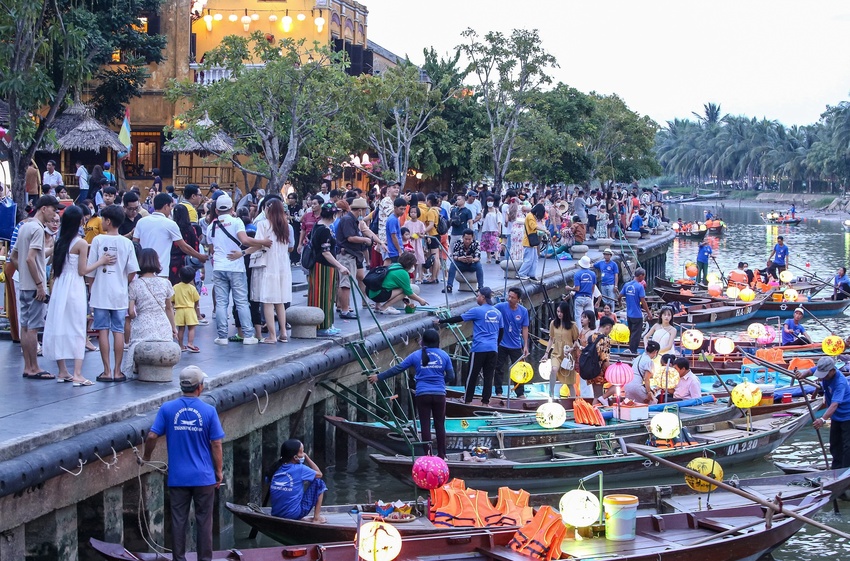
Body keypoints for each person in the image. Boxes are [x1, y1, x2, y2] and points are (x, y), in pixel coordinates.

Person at [142, 366, 224, 561]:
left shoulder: (167, 409)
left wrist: (146, 457)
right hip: (203, 477)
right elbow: (216, 443)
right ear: (200, 387)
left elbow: (152, 435)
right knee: (204, 521)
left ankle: (179, 559)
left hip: (178, 477)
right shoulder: (209, 411)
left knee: (179, 521)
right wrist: (219, 471)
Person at [44, 205, 115, 385]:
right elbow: (82, 270)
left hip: (60, 285)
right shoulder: (81, 243)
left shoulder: (59, 242)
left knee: (59, 324)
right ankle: (77, 374)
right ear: (79, 221)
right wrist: (101, 261)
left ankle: (63, 371)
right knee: (77, 326)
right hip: (74, 286)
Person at [368, 329, 455, 458]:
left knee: (425, 425)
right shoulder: (444, 355)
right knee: (439, 425)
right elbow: (451, 376)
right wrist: (440, 382)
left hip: (422, 394)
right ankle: (442, 455)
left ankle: (428, 455)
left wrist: (379, 377)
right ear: (438, 341)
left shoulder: (415, 355)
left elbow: (398, 368)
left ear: (423, 342)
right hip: (439, 394)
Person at [87, 204, 140, 382]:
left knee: (103, 330)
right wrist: (122, 282)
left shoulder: (98, 241)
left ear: (108, 221)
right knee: (118, 330)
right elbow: (132, 271)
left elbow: (90, 271)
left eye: (103, 219)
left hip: (100, 292)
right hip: (119, 293)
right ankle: (118, 371)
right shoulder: (127, 243)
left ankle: (106, 371)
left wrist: (91, 288)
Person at [207, 194, 269, 345]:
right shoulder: (236, 222)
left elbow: (211, 249)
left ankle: (222, 336)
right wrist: (264, 242)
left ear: (216, 210)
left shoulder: (211, 227)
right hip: (235, 266)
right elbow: (245, 240)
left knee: (221, 303)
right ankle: (248, 335)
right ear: (232, 208)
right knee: (241, 301)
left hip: (219, 267)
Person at [11, 196, 63, 379]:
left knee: (25, 327)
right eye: (53, 209)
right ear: (43, 208)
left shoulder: (24, 226)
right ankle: (33, 367)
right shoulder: (37, 229)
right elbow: (30, 258)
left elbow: (14, 257)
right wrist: (40, 284)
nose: (55, 213)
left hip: (25, 284)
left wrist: (24, 273)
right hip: (34, 286)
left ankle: (28, 366)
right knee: (32, 328)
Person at [437, 287, 503, 405]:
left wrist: (441, 321)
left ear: (483, 297)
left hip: (479, 349)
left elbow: (459, 318)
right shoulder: (497, 312)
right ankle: (485, 403)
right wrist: (495, 345)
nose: (476, 298)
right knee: (489, 377)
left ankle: (467, 400)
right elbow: (501, 331)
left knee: (472, 374)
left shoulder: (477, 311)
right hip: (493, 349)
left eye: (477, 296)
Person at [245, 199, 295, 342]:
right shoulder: (286, 226)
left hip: (268, 264)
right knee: (279, 300)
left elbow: (258, 245)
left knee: (267, 300)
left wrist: (243, 253)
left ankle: (272, 336)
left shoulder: (263, 224)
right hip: (282, 265)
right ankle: (283, 332)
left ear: (268, 209)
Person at [135, 193, 207, 279]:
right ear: (166, 206)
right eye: (171, 206)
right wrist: (199, 256)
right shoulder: (170, 224)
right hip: (161, 271)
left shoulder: (141, 222)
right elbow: (183, 246)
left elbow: (135, 244)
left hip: (143, 271)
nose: (171, 210)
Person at [795, 357, 850, 469]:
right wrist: (802, 375)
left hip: (847, 416)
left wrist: (822, 419)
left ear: (832, 370)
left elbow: (834, 404)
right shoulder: (823, 370)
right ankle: (836, 468)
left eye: (825, 374)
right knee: (834, 445)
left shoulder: (840, 383)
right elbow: (810, 371)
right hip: (836, 416)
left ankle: (845, 471)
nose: (823, 377)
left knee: (847, 446)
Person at [307, 202, 350, 335]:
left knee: (328, 295)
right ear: (333, 214)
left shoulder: (318, 226)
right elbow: (326, 252)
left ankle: (328, 324)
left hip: (323, 266)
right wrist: (340, 266)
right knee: (323, 296)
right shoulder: (324, 230)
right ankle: (322, 326)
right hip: (323, 267)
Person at [268, 439, 327, 522]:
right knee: (319, 483)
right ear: (295, 457)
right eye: (302, 452)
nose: (303, 454)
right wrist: (306, 457)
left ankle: (299, 517)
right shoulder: (300, 469)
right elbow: (319, 474)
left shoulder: (274, 468)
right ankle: (317, 518)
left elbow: (268, 481)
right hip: (294, 514)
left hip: (275, 513)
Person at [494, 287, 530, 398]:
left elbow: (525, 328)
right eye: (509, 296)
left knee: (519, 368)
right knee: (498, 368)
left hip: (515, 344)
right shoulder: (501, 306)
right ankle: (498, 392)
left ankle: (520, 393)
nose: (509, 299)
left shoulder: (523, 311)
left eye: (512, 297)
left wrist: (525, 345)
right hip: (502, 344)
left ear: (518, 299)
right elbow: (491, 310)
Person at [543, 301, 580, 397]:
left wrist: (571, 349)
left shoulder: (572, 325)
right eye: (558, 311)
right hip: (556, 353)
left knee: (569, 383)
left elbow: (576, 340)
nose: (559, 314)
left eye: (561, 312)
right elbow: (551, 339)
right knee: (554, 369)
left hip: (568, 355)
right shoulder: (553, 323)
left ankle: (573, 400)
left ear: (566, 312)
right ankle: (551, 394)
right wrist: (546, 353)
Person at [620, 267, 651, 353]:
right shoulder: (639, 287)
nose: (644, 278)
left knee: (631, 333)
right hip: (637, 315)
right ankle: (633, 351)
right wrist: (649, 313)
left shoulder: (626, 285)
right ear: (641, 276)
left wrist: (619, 303)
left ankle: (630, 348)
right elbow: (643, 302)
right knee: (636, 335)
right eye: (644, 276)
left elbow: (619, 296)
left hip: (629, 315)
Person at [444, 229, 484, 294]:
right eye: (466, 239)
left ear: (472, 238)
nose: (467, 241)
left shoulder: (476, 243)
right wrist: (459, 258)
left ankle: (481, 287)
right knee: (453, 264)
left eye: (469, 239)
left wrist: (472, 260)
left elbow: (478, 257)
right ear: (463, 237)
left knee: (479, 265)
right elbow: (454, 256)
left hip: (472, 264)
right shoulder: (458, 243)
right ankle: (449, 286)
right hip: (461, 264)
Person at [584, 316, 615, 399]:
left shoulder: (591, 337)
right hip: (599, 371)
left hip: (591, 369)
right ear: (607, 328)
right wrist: (612, 371)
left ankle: (601, 402)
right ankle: (597, 408)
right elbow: (605, 359)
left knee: (597, 395)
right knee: (598, 397)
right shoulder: (605, 339)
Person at [174, 266, 201, 352]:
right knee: (191, 328)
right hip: (190, 309)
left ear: (179, 275)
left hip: (179, 310)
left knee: (181, 329)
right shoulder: (192, 288)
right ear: (192, 278)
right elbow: (196, 299)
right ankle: (190, 343)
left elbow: (171, 299)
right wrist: (195, 307)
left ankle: (181, 346)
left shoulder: (175, 287)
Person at [517, 204, 545, 280]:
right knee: (528, 259)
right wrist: (544, 230)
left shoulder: (532, 216)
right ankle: (521, 273)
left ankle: (531, 274)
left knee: (534, 259)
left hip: (532, 241)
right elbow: (534, 226)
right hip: (528, 241)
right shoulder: (530, 216)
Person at [570, 256, 596, 327]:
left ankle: (580, 334)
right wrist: (590, 296)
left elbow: (577, 288)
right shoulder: (593, 274)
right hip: (588, 297)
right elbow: (593, 287)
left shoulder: (577, 274)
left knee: (579, 318)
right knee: (590, 316)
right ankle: (591, 331)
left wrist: (569, 288)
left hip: (579, 297)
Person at [404, 205, 427, 282]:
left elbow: (423, 234)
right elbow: (403, 232)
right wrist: (409, 236)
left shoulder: (420, 224)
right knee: (410, 261)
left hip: (418, 244)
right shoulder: (407, 223)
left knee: (418, 260)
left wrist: (419, 235)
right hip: (410, 243)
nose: (413, 213)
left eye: (415, 212)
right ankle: (411, 278)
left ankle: (418, 277)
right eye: (411, 212)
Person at [480, 196, 501, 263]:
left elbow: (499, 221)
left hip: (494, 229)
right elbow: (482, 220)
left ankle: (497, 258)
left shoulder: (496, 210)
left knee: (495, 243)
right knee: (487, 244)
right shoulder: (484, 211)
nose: (490, 203)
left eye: (491, 201)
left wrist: (499, 229)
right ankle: (488, 258)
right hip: (486, 229)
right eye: (488, 201)